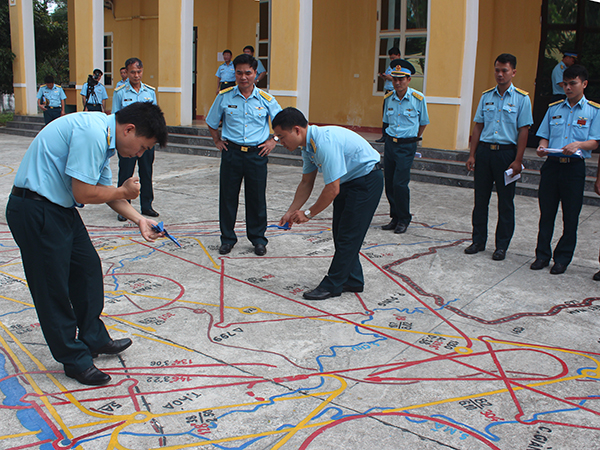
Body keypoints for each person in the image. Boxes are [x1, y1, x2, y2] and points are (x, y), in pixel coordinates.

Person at [6, 102, 168, 386]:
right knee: (52, 287)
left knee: (88, 268)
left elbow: (106, 194)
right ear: (128, 130)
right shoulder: (91, 132)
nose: (140, 154)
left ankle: (93, 338)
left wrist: (139, 219)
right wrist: (124, 189)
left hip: (59, 209)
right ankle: (74, 360)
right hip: (35, 208)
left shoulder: (104, 139)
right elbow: (84, 192)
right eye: (142, 147)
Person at [273, 107, 383, 300]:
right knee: (341, 233)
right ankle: (353, 279)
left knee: (349, 235)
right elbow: (307, 182)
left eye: (282, 137)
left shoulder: (324, 143)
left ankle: (332, 284)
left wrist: (308, 214)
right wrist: (291, 211)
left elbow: (332, 189)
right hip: (349, 181)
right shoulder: (308, 147)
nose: (281, 142)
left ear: (297, 130)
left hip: (367, 180)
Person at [206, 53, 281, 256]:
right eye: (239, 73)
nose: (243, 77)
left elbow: (283, 123)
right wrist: (217, 141)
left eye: (248, 72)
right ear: (234, 73)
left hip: (257, 154)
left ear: (256, 74)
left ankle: (258, 239)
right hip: (232, 153)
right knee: (228, 197)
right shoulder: (224, 96)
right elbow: (212, 121)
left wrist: (273, 141)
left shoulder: (266, 99)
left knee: (256, 198)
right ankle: (227, 238)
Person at [531, 64, 600, 275]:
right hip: (552, 166)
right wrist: (542, 147)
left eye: (573, 83)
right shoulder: (554, 109)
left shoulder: (593, 111)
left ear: (584, 84)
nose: (568, 88)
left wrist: (578, 144)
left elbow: (595, 142)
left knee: (570, 216)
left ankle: (562, 258)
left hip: (574, 169)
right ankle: (542, 255)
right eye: (565, 84)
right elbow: (544, 135)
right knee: (547, 213)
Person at [464, 53, 533, 261]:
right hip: (485, 152)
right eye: (497, 70)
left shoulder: (522, 99)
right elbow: (478, 126)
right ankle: (478, 240)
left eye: (504, 70)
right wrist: (472, 154)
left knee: (505, 202)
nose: (500, 74)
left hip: (506, 155)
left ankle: (501, 246)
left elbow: (523, 131)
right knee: (480, 200)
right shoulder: (486, 96)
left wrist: (518, 160)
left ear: (513, 72)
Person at [380, 59, 429, 234]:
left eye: (402, 79)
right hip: (391, 145)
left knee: (400, 183)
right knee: (390, 183)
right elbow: (386, 122)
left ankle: (404, 218)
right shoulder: (388, 98)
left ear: (409, 80)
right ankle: (395, 217)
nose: (398, 83)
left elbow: (423, 122)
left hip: (407, 146)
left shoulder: (418, 99)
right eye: (395, 79)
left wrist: (414, 137)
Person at [113, 57, 159, 221]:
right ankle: (123, 206)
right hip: (128, 141)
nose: (136, 75)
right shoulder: (120, 92)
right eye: (132, 72)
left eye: (139, 72)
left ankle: (146, 205)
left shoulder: (149, 92)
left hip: (145, 142)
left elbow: (155, 116)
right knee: (126, 172)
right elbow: (115, 117)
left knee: (146, 172)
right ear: (126, 72)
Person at [376, 47, 401, 143]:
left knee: (392, 113)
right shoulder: (390, 66)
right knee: (386, 113)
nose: (392, 60)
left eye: (394, 58)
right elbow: (388, 78)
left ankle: (390, 135)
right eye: (391, 58)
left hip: (394, 92)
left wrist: (389, 77)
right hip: (387, 91)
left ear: (398, 55)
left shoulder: (400, 66)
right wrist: (384, 77)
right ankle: (384, 135)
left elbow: (397, 78)